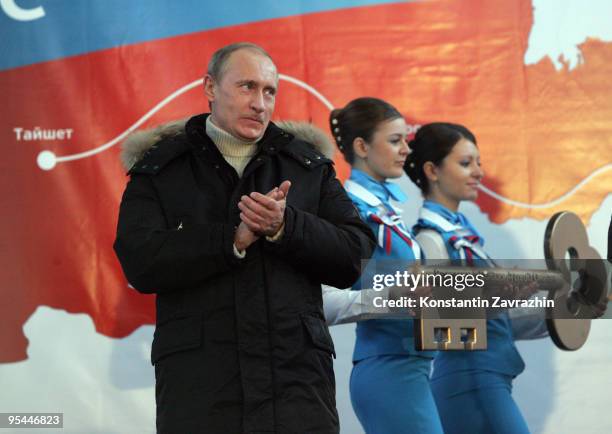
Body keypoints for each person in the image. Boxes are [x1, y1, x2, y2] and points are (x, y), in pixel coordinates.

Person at [113, 42, 376, 434]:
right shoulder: (161, 168)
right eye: (247, 87)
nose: (260, 103)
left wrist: (287, 227)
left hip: (297, 391)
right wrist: (229, 241)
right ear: (210, 88)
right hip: (201, 395)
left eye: (269, 91)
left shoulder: (307, 167)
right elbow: (139, 260)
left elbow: (355, 255)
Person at [405, 122, 543, 434]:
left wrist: (563, 309)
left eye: (479, 162)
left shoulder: (465, 238)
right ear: (432, 170)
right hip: (470, 381)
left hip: (486, 379)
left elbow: (499, 325)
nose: (479, 172)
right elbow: (435, 332)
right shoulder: (431, 240)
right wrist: (494, 300)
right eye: (466, 163)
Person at [326, 97, 444, 434]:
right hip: (387, 367)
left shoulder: (387, 210)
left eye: (405, 140)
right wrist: (393, 297)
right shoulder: (347, 210)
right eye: (395, 141)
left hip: (414, 365)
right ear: (362, 146)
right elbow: (323, 301)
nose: (406, 150)